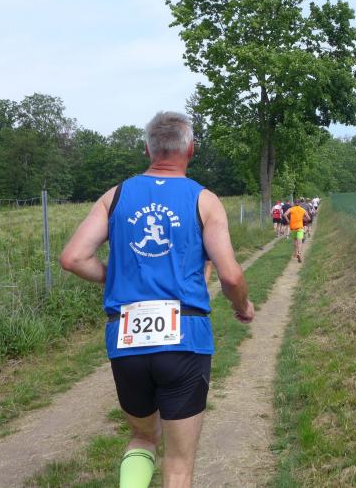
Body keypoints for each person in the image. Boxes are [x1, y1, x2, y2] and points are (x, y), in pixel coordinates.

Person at [60, 111, 254, 488]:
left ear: (147, 150)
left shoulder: (115, 196)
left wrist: (117, 276)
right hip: (186, 339)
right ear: (191, 150)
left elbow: (73, 258)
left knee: (143, 437)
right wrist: (242, 306)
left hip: (126, 338)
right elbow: (230, 275)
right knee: (178, 463)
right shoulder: (205, 200)